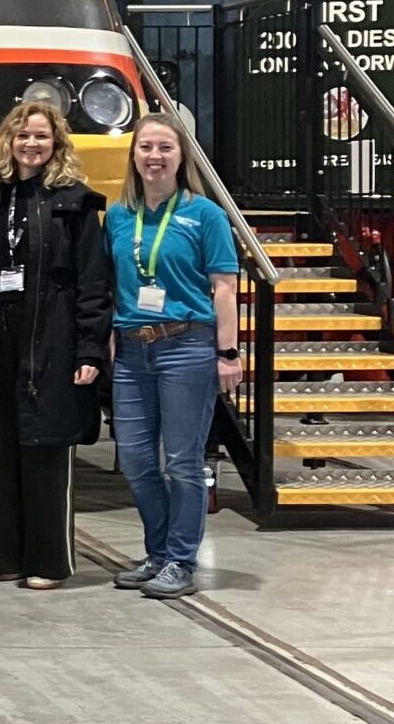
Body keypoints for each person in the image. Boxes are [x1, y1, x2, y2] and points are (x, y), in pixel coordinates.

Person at [0, 101, 112, 590]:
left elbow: (93, 282)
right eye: (23, 135)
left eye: (41, 136)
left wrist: (90, 350)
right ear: (9, 141)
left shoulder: (76, 202)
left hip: (53, 334)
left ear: (57, 143)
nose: (31, 144)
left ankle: (48, 563)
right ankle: (4, 556)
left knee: (45, 446)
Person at [106, 114, 240, 600]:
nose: (155, 156)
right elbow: (114, 282)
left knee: (182, 462)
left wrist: (228, 353)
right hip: (133, 352)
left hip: (186, 347)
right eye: (146, 147)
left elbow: (224, 288)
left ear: (182, 156)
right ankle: (158, 553)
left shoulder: (205, 215)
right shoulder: (119, 215)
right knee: (137, 461)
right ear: (133, 155)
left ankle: (181, 560)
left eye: (165, 147)